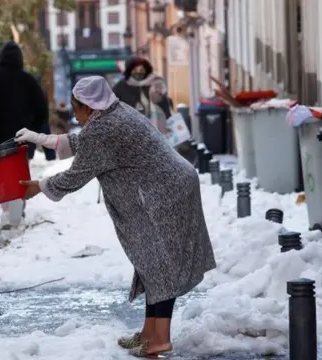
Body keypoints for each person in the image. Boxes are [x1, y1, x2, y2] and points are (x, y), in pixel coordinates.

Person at [16, 76, 216, 358]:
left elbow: (76, 174)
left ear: (88, 107)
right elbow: (83, 142)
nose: (74, 114)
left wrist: (40, 186)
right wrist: (40, 139)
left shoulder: (103, 129)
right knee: (151, 263)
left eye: (76, 108)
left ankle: (160, 339)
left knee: (160, 265)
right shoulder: (114, 112)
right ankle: (149, 334)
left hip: (166, 194)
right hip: (168, 186)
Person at [0, 40, 49, 227]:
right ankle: (16, 212)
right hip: (22, 138)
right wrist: (34, 129)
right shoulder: (28, 80)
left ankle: (7, 210)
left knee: (1, 174)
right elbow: (42, 110)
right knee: (19, 175)